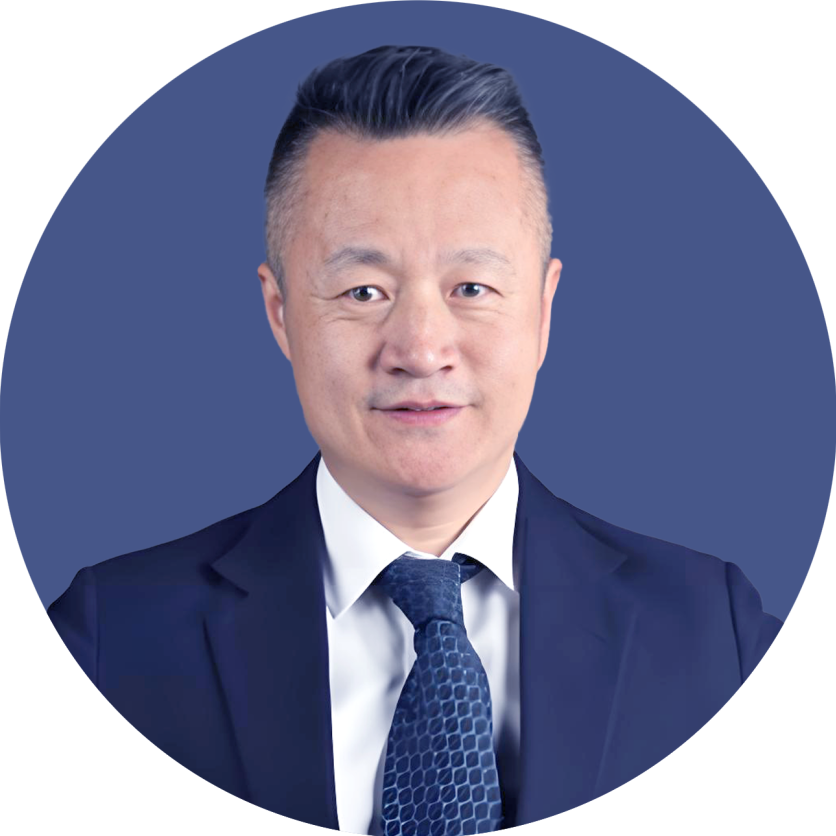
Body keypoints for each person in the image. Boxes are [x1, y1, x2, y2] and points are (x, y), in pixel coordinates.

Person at [47, 45, 783, 834]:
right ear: (281, 312)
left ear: (542, 310)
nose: (422, 349)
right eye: (364, 291)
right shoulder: (113, 640)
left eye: (472, 287)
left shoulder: (717, 638)